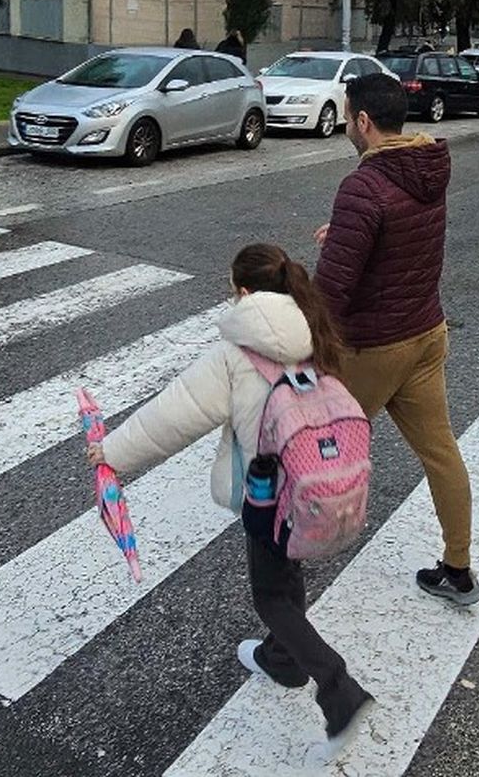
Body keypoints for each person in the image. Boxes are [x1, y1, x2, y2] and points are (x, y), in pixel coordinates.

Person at [88, 243, 376, 748]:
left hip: (266, 496)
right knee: (287, 572)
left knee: (269, 595)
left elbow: (173, 415)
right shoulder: (315, 334)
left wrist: (111, 451)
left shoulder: (234, 355)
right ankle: (282, 660)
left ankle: (337, 687)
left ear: (243, 293)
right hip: (313, 488)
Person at [313, 73, 479, 606]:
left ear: (363, 122)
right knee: (441, 453)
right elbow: (401, 236)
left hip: (376, 346)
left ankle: (282, 562)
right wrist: (341, 233)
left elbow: (333, 290)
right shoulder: (428, 166)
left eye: (346, 116)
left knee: (313, 444)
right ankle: (459, 569)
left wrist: (298, 344)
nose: (345, 125)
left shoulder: (363, 185)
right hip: (427, 336)